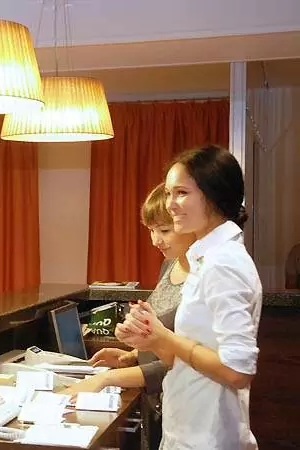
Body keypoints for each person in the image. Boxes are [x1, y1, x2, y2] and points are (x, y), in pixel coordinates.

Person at [119, 145, 262, 449]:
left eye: (181, 193)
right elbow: (186, 354)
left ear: (213, 194)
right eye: (168, 193)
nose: (170, 204)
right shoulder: (204, 259)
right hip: (186, 426)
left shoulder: (223, 263)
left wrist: (164, 337)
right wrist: (151, 340)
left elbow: (237, 371)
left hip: (207, 434)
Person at [61, 183, 195, 450]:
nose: (156, 240)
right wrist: (132, 355)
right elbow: (161, 338)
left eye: (164, 230)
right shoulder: (169, 265)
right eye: (151, 230)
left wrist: (105, 379)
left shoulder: (204, 279)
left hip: (187, 407)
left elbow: (185, 361)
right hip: (157, 401)